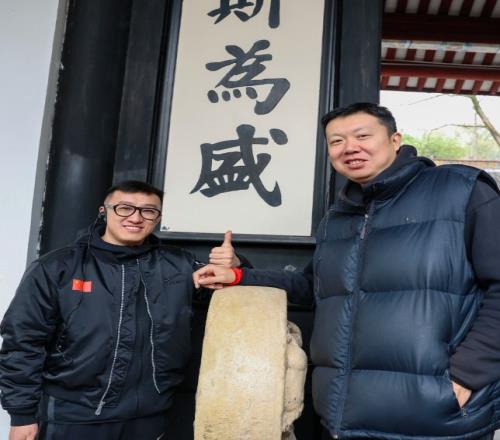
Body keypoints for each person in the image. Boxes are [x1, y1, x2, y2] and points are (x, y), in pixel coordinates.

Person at [193, 102, 500, 440]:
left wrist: (467, 375)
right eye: (336, 141)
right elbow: (316, 288)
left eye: (362, 136)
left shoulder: (460, 190)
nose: (349, 147)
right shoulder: (338, 218)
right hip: (344, 419)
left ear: (395, 140)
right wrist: (238, 276)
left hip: (435, 418)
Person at [0, 180, 245, 440]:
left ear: (157, 218)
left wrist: (236, 265)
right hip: (72, 415)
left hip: (151, 415)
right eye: (125, 208)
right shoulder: (57, 267)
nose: (136, 218)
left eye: (148, 211)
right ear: (103, 211)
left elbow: (228, 292)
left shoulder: (179, 265)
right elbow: (22, 342)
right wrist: (22, 415)